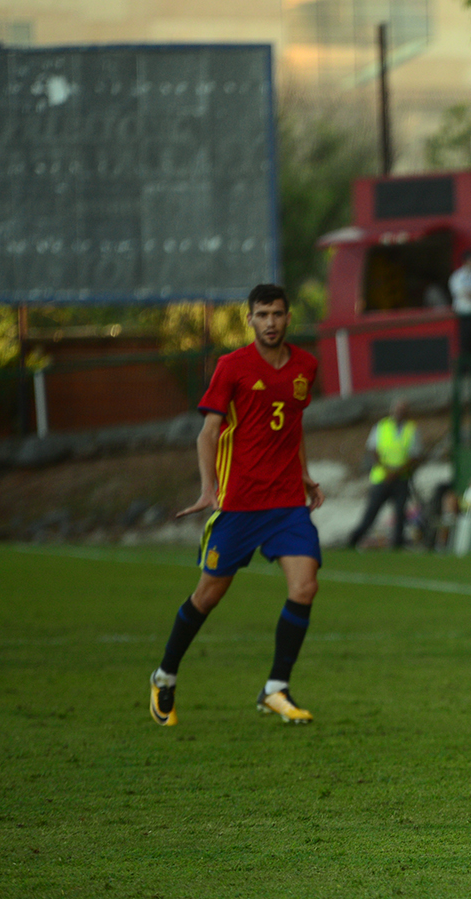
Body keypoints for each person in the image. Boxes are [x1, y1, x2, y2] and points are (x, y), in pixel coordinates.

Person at [147, 284, 323, 726]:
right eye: (262, 314)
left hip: (285, 503)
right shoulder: (232, 367)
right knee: (207, 596)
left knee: (304, 587)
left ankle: (275, 688)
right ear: (249, 319)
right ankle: (165, 675)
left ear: (287, 318)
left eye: (278, 314)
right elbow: (207, 434)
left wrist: (303, 474)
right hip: (239, 504)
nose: (270, 322)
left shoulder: (306, 365)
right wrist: (209, 490)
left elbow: (292, 425)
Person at [346, 399, 421, 551]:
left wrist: (396, 471)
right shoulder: (381, 426)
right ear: (392, 411)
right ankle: (353, 540)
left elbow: (415, 455)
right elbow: (373, 449)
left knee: (400, 513)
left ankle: (397, 545)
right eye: (397, 409)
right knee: (371, 512)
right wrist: (387, 470)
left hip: (401, 478)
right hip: (381, 478)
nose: (400, 413)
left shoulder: (412, 429)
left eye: (403, 410)